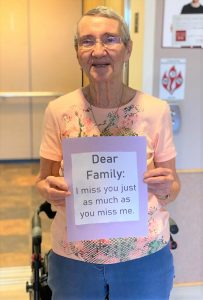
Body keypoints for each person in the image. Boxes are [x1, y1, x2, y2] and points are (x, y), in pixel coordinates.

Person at [36, 6, 181, 300]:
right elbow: (43, 180)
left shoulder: (156, 111)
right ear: (77, 52)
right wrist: (48, 190)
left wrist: (167, 186)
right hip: (74, 258)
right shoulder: (59, 111)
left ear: (127, 50)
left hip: (144, 257)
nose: (98, 50)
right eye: (87, 41)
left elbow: (173, 186)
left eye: (110, 39)